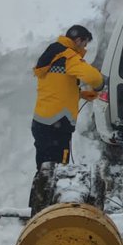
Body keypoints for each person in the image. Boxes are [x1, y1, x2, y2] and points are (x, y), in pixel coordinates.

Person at [31, 25, 104, 169]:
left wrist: (80, 94)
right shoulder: (68, 56)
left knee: (44, 170)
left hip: (41, 123)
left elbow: (55, 87)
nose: (84, 48)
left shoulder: (52, 53)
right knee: (59, 171)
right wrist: (99, 86)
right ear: (78, 40)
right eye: (84, 44)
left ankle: (41, 191)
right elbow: (94, 77)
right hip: (57, 126)